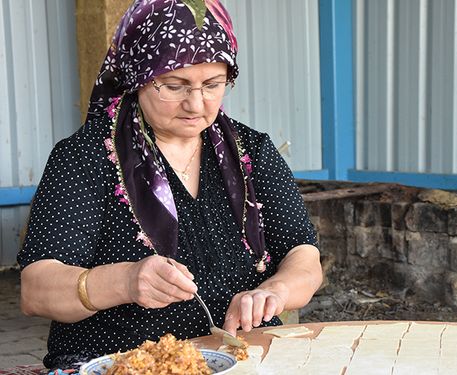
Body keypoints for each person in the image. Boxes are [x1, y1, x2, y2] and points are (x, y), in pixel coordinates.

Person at [17, 0, 322, 370]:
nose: (196, 104)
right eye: (175, 86)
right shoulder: (86, 157)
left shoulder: (250, 151)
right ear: (138, 76)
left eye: (213, 84)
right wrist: (126, 280)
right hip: (121, 363)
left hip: (240, 357)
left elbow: (303, 256)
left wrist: (275, 291)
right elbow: (36, 290)